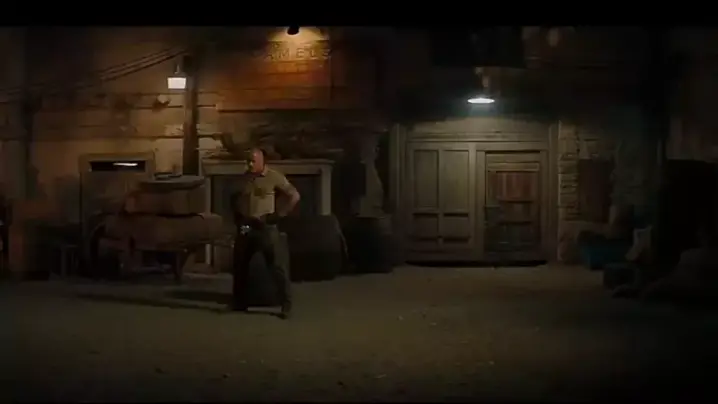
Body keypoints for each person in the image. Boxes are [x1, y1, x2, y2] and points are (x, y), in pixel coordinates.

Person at [230, 147, 300, 319]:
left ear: (262, 161)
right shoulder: (245, 178)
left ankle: (286, 304)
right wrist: (238, 217)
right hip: (247, 225)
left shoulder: (273, 177)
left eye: (253, 161)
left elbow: (294, 195)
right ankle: (239, 302)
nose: (249, 164)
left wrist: (279, 214)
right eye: (248, 161)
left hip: (265, 226)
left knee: (276, 265)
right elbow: (235, 197)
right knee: (239, 262)